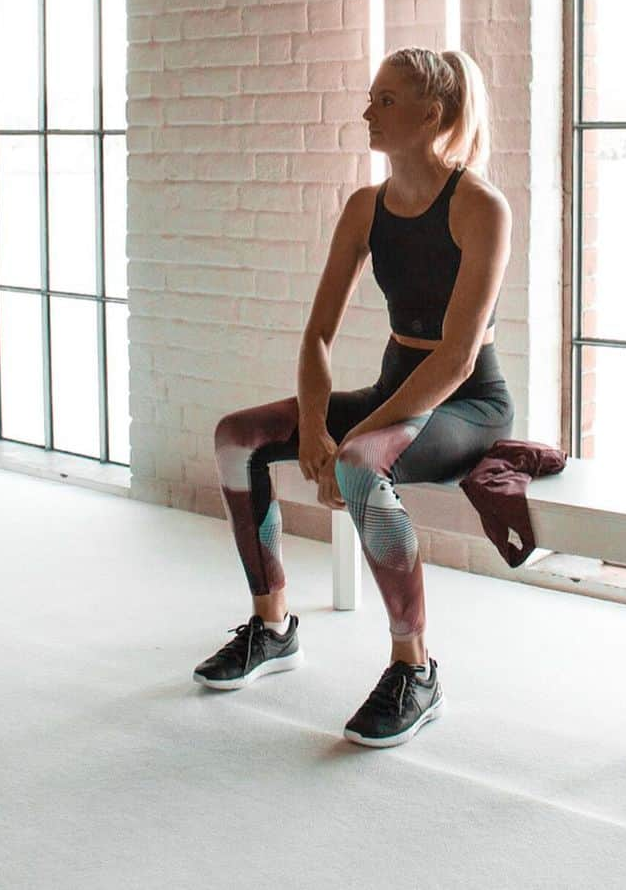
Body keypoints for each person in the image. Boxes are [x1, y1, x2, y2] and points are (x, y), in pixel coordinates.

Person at [194, 45, 514, 748]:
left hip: (465, 406)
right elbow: (317, 338)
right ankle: (272, 625)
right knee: (234, 436)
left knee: (361, 464)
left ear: (430, 113)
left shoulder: (480, 206)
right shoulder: (365, 207)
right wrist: (314, 424)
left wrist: (347, 441)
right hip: (394, 391)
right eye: (371, 98)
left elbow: (458, 361)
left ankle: (416, 669)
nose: (367, 111)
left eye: (385, 101)